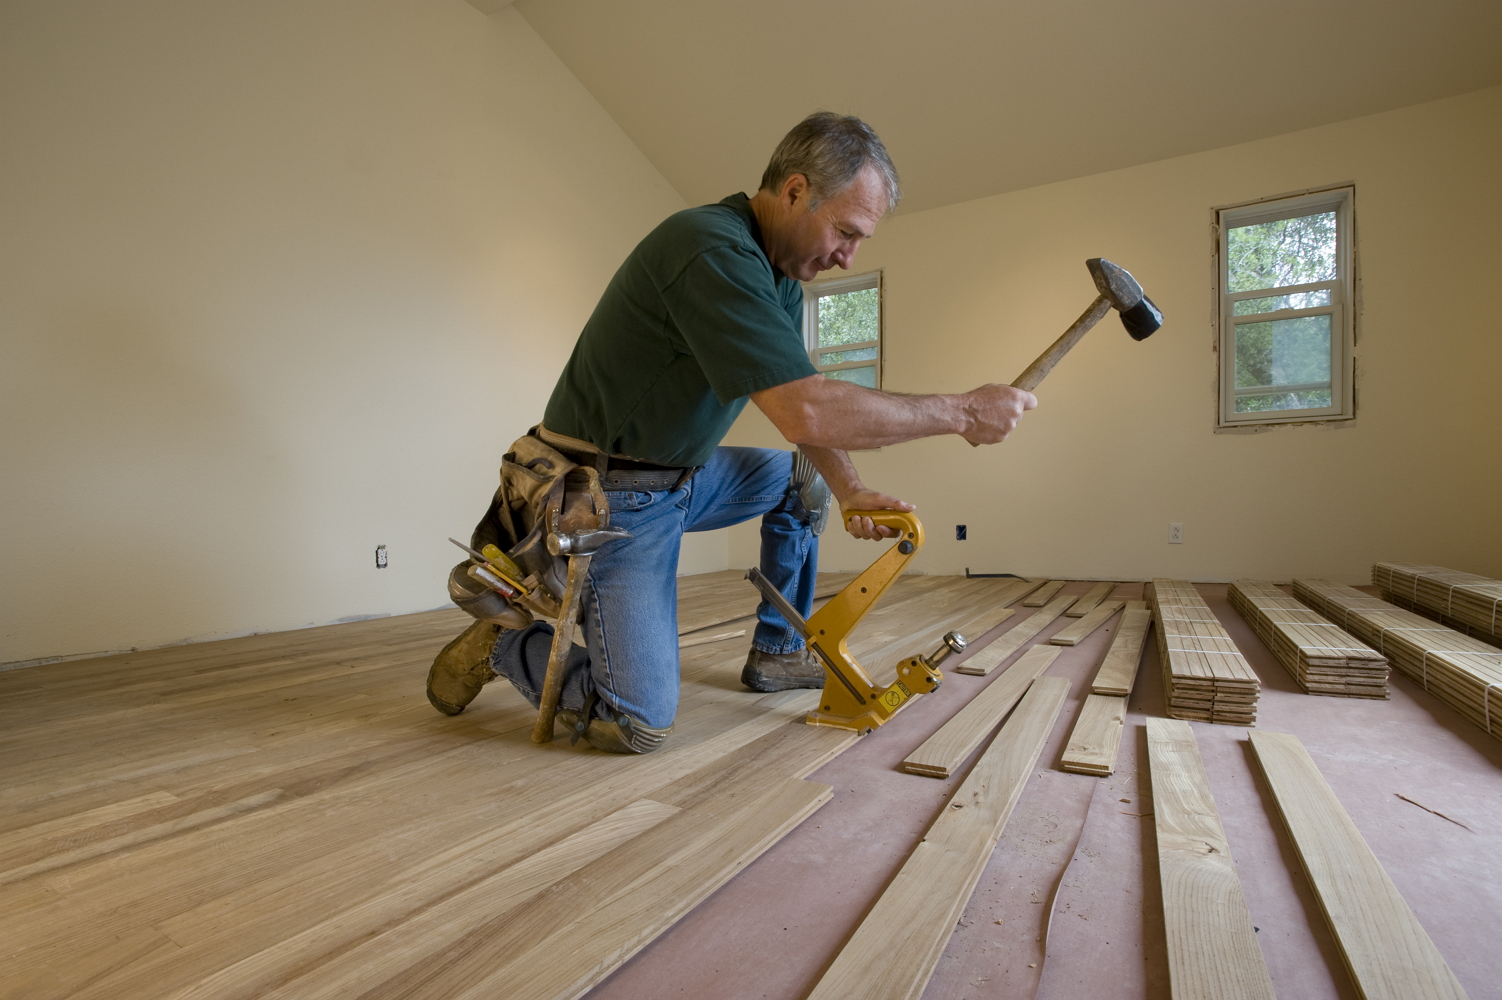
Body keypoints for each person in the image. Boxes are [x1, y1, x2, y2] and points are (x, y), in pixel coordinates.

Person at [426, 112, 1035, 752]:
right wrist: (964, 413)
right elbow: (809, 411)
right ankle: (505, 642)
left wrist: (850, 490)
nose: (847, 255)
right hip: (610, 498)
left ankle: (779, 650)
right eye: (846, 232)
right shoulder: (708, 248)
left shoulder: (780, 277)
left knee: (803, 483)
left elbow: (801, 401)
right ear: (796, 191)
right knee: (635, 724)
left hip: (684, 475)